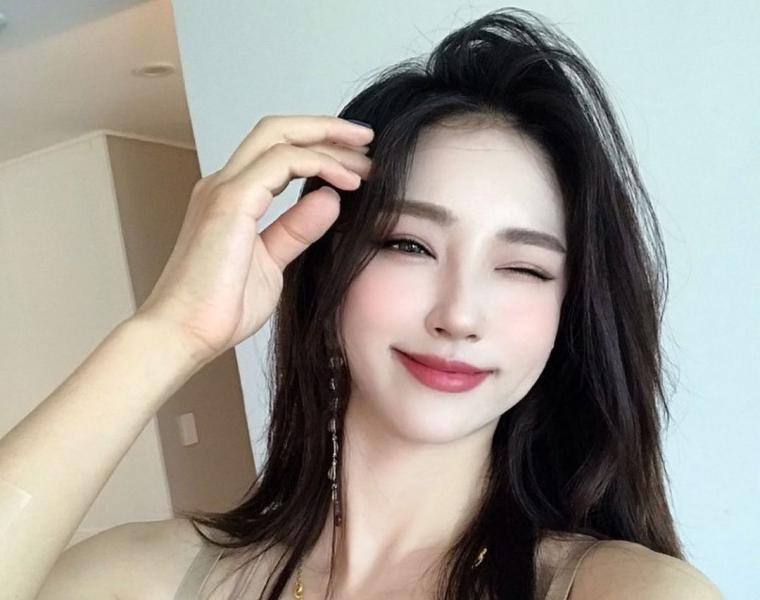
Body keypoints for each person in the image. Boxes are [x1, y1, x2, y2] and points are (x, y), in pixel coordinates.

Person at [0, 7, 724, 600]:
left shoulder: (622, 590)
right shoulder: (155, 577)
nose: (458, 315)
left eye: (522, 268)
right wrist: (171, 331)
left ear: (570, 314)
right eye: (409, 245)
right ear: (329, 268)